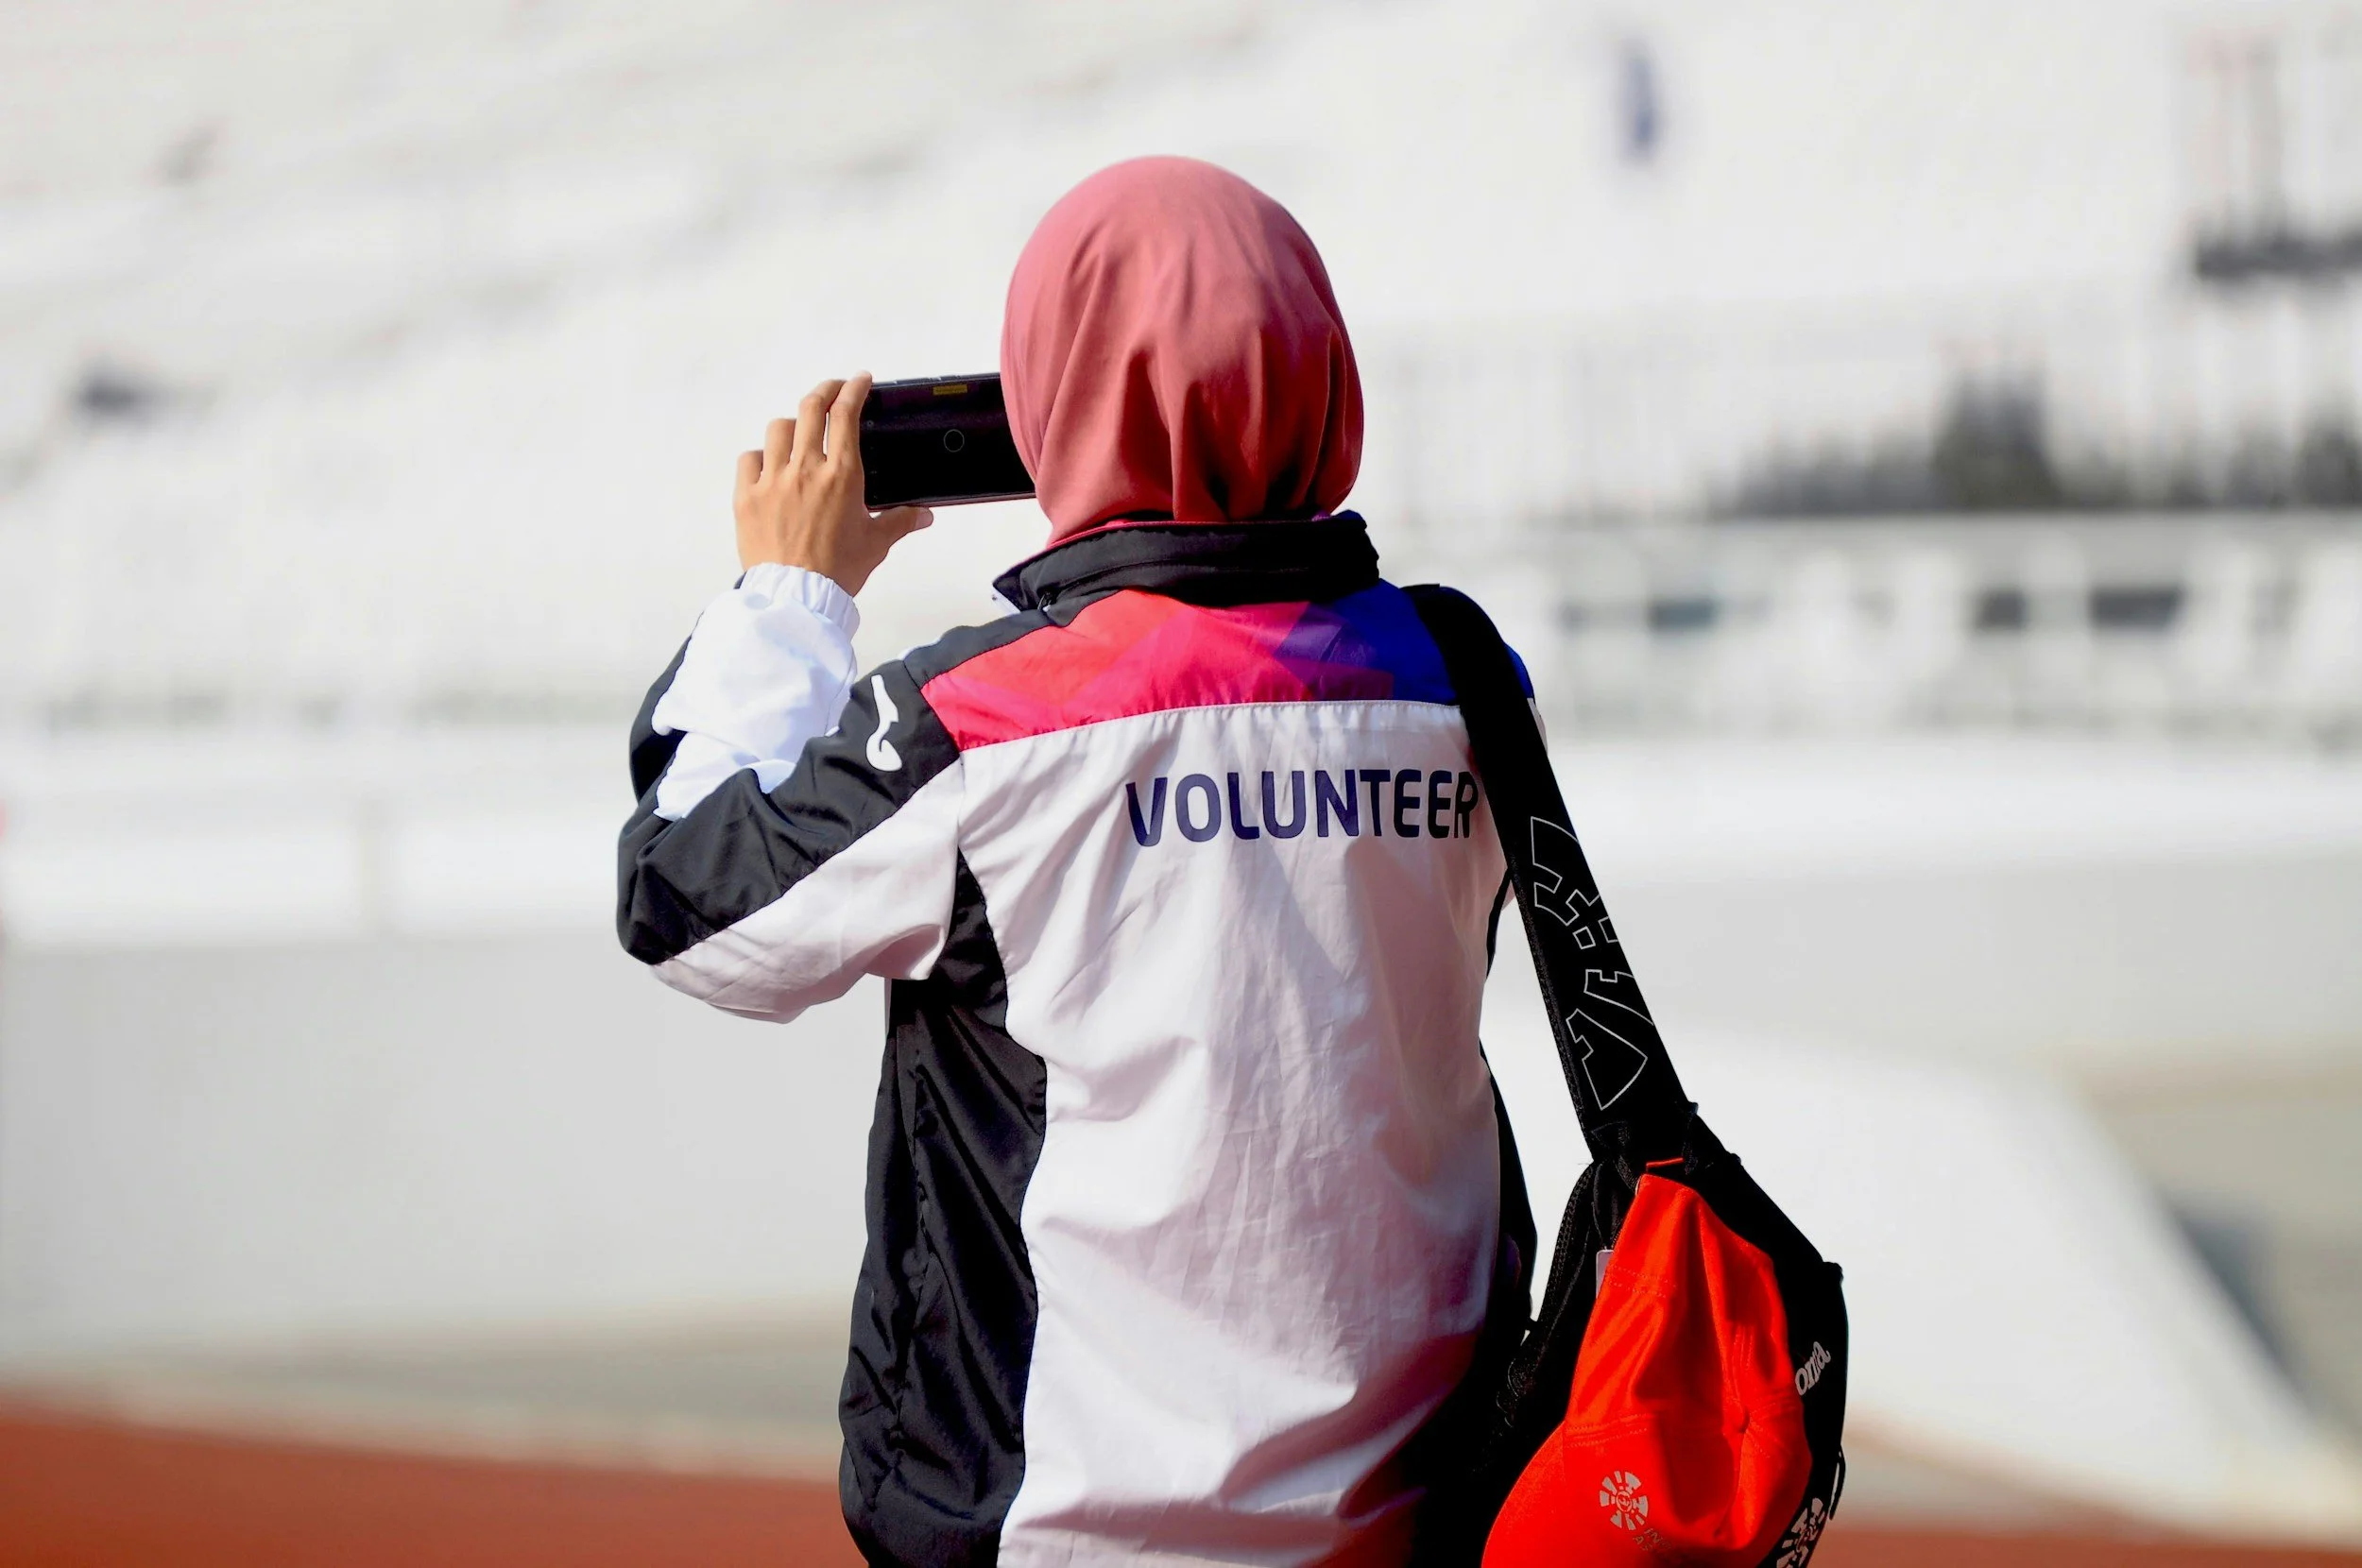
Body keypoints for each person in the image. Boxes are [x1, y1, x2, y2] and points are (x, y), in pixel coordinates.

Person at [617, 157, 1532, 1568]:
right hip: (1422, 1517)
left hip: (1079, 1533)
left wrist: (786, 600)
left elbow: (693, 899)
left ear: (1057, 403)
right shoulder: (1470, 680)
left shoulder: (984, 726)